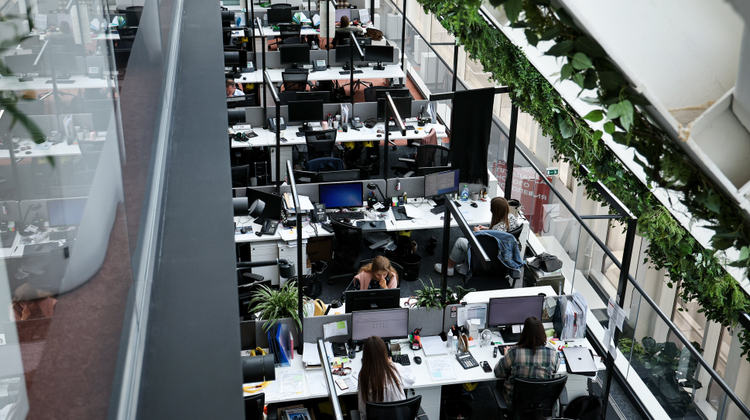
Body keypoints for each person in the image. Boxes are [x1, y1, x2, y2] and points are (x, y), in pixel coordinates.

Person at [434, 196, 521, 276]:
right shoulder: (511, 217)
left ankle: (448, 268)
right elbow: (501, 234)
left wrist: (480, 232)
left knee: (460, 242)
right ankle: (465, 267)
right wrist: (486, 229)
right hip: (506, 251)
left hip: (492, 253)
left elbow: (490, 241)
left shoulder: (498, 227)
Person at [493, 316, 560, 405]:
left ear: (524, 333)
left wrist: (506, 355)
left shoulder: (514, 353)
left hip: (516, 404)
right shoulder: (552, 353)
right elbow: (555, 369)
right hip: (542, 405)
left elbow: (498, 372)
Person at [358, 336, 415, 420]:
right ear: (385, 353)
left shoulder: (364, 376)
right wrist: (392, 363)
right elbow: (412, 379)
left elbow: (362, 409)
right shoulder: (395, 368)